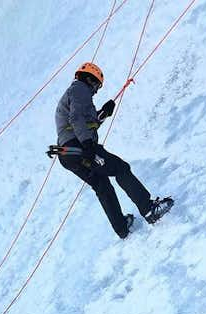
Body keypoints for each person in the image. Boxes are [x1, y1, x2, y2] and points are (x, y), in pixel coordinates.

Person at [51, 62, 173, 238]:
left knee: (102, 186)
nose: (96, 90)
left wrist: (103, 114)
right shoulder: (79, 89)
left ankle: (122, 228)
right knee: (120, 168)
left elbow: (85, 124)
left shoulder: (76, 94)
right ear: (89, 79)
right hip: (79, 148)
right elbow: (77, 118)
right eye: (96, 86)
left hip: (68, 154)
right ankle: (149, 209)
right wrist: (88, 145)